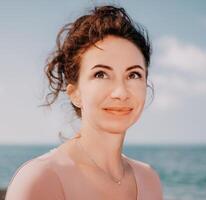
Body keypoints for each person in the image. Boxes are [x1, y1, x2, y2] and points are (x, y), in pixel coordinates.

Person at [5, 4, 163, 200]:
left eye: (133, 74)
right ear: (75, 93)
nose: (121, 92)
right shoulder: (42, 179)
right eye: (101, 74)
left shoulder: (149, 180)